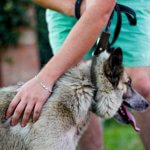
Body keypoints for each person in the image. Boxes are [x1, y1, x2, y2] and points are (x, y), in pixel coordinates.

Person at [6, 0, 150, 149]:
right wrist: (73, 6)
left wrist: (44, 79)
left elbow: (101, 11)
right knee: (78, 91)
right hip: (62, 5)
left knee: (141, 84)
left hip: (122, 3)